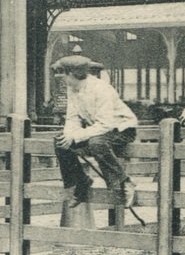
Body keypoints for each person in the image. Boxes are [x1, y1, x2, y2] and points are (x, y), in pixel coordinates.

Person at [53, 55, 138, 208]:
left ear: (72, 74)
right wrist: (69, 136)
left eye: (63, 74)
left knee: (96, 143)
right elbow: (72, 118)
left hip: (121, 128)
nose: (61, 78)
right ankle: (81, 182)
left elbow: (106, 124)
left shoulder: (101, 89)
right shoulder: (72, 88)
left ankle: (124, 182)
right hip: (99, 129)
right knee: (60, 141)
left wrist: (76, 136)